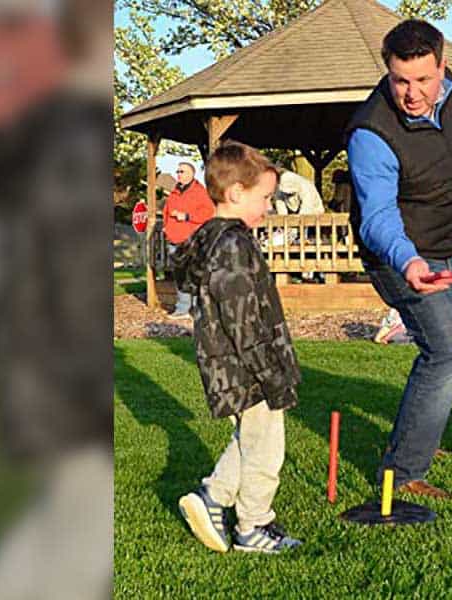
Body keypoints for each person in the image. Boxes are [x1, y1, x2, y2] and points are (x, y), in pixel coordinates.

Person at [345, 19, 452, 498]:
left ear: (443, 67)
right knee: (446, 350)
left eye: (423, 80)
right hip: (399, 255)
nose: (412, 94)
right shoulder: (371, 134)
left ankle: (420, 436)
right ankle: (403, 471)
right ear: (387, 72)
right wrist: (409, 262)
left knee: (449, 346)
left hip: (444, 245)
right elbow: (377, 217)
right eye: (400, 81)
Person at [171, 141, 302, 554]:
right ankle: (252, 524)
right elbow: (243, 321)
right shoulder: (232, 246)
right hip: (247, 367)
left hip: (232, 365)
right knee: (265, 449)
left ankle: (213, 497)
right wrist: (271, 372)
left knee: (250, 438)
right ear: (235, 193)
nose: (268, 206)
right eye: (264, 197)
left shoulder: (214, 240)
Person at [162, 161, 215, 318]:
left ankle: (198, 309)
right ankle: (182, 309)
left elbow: (209, 213)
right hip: (174, 240)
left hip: (192, 240)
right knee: (180, 275)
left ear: (192, 174)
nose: (178, 174)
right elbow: (166, 212)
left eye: (182, 171)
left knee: (195, 275)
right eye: (178, 171)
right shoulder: (174, 193)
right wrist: (166, 228)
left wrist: (187, 216)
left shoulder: (200, 192)